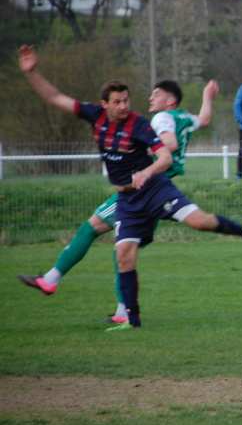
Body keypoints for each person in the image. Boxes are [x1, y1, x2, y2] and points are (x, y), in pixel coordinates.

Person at [17, 46, 242, 331]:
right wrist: (32, 73)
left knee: (198, 222)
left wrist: (147, 171)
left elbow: (164, 154)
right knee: (124, 253)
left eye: (127, 100)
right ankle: (131, 320)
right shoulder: (95, 116)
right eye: (118, 102)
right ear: (105, 105)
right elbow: (55, 97)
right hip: (128, 199)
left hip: (154, 189)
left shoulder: (140, 124)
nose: (125, 106)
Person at [17, 78, 221, 324]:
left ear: (169, 101)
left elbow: (169, 143)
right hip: (157, 190)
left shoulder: (160, 119)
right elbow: (205, 119)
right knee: (123, 246)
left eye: (155, 95)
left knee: (92, 228)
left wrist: (143, 149)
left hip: (142, 189)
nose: (150, 98)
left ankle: (54, 281)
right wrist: (207, 96)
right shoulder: (183, 117)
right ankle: (121, 310)